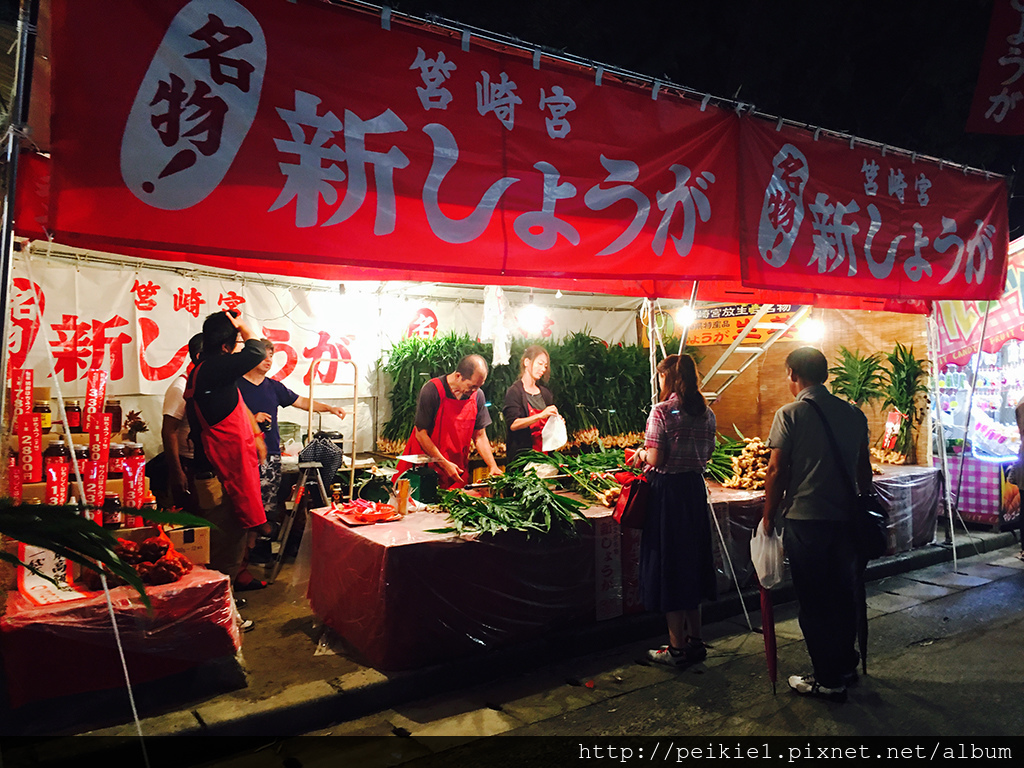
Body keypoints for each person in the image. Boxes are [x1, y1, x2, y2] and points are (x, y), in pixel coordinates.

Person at [762, 346, 872, 703]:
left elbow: (777, 470)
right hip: (845, 522)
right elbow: (864, 471)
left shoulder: (789, 414)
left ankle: (827, 679)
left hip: (806, 522)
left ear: (794, 374)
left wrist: (768, 514)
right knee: (843, 596)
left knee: (813, 600)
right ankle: (845, 665)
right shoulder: (854, 415)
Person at [630, 353, 717, 666]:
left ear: (667, 378)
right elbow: (708, 452)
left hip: (667, 495)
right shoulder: (706, 413)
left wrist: (640, 454)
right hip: (693, 491)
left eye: (660, 377)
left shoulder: (662, 411)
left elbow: (656, 459)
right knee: (691, 563)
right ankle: (696, 640)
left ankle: (676, 648)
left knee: (671, 566)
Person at [185, 310, 268, 597]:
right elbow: (255, 351)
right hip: (221, 476)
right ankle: (221, 610)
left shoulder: (204, 372)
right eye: (234, 345)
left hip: (215, 472)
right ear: (224, 348)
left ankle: (223, 605)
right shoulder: (213, 369)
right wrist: (245, 327)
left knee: (226, 544)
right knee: (224, 549)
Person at [239, 338, 346, 544]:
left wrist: (329, 408)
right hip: (242, 454)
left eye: (271, 355)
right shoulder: (235, 386)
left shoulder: (274, 387)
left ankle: (256, 550)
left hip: (270, 454)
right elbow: (224, 418)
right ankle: (241, 555)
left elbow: (302, 402)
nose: (268, 360)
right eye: (264, 355)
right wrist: (252, 419)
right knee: (243, 507)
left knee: (267, 506)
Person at [395, 354, 502, 489]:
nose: (475, 390)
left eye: (479, 386)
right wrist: (444, 463)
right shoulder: (432, 390)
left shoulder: (477, 395)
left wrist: (492, 465)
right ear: (458, 376)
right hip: (424, 468)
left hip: (456, 468)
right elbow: (421, 434)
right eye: (472, 386)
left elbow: (480, 435)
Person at [158, 333, 203, 513]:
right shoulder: (180, 387)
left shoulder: (202, 383)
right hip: (187, 463)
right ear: (200, 357)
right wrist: (177, 472)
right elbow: (169, 432)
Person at [503, 345, 559, 465]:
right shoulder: (515, 391)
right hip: (523, 460)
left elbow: (548, 425)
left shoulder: (546, 393)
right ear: (527, 362)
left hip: (546, 458)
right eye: (540, 363)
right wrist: (540, 416)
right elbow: (513, 424)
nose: (543, 369)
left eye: (545, 366)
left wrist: (557, 423)